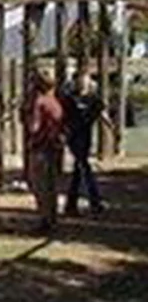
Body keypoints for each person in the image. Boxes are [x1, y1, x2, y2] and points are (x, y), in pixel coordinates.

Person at [62, 70, 115, 217]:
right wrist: (63, 133)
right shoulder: (69, 98)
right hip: (74, 138)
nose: (82, 84)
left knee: (79, 171)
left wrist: (112, 129)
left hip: (86, 137)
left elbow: (103, 115)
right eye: (80, 81)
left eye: (85, 81)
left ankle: (71, 205)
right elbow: (62, 118)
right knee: (84, 166)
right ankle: (95, 201)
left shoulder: (94, 99)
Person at [26, 66, 65, 233]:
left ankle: (44, 220)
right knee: (51, 186)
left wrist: (27, 115)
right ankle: (52, 219)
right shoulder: (55, 102)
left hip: (40, 148)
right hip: (54, 147)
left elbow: (34, 127)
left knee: (39, 185)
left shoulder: (39, 102)